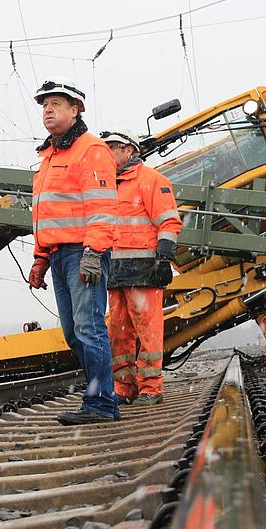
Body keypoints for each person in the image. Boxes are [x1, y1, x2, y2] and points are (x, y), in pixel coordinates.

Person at [27, 77, 120, 424]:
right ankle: (100, 396)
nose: (48, 110)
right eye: (44, 105)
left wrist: (94, 251)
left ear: (76, 109)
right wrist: (40, 258)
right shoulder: (49, 156)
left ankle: (101, 404)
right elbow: (45, 214)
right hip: (58, 255)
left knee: (89, 328)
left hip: (83, 252)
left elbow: (102, 206)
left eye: (56, 104)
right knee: (73, 333)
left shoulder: (90, 150)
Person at [100, 127, 181, 405]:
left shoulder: (151, 180)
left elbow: (168, 221)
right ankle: (125, 387)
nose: (107, 152)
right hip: (115, 270)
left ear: (129, 150)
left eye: (113, 147)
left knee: (148, 331)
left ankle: (151, 388)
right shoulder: (105, 185)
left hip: (144, 269)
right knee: (118, 333)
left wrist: (164, 257)